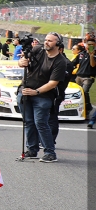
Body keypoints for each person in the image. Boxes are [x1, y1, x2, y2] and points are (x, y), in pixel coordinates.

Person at [17, 33, 67, 163]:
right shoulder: (37, 49)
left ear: (58, 44)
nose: (46, 42)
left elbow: (53, 83)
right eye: (45, 40)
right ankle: (32, 150)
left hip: (43, 96)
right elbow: (22, 61)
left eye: (50, 41)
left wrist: (36, 92)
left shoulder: (60, 61)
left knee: (41, 123)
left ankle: (50, 153)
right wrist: (21, 62)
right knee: (28, 122)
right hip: (25, 92)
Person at [71, 35, 95, 127]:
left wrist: (91, 55)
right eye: (88, 45)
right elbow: (73, 63)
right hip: (78, 76)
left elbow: (93, 65)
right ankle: (76, 109)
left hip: (88, 77)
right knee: (76, 93)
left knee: (84, 92)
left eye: (92, 45)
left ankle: (88, 108)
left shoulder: (94, 54)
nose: (89, 47)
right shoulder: (81, 54)